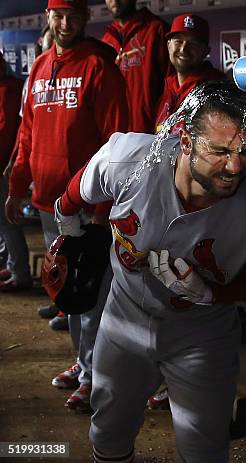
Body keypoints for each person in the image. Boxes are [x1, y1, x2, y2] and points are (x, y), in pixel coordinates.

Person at [54, 80, 246, 463]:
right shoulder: (130, 160)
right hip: (124, 315)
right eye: (219, 150)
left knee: (203, 446)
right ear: (184, 140)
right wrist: (67, 232)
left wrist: (212, 294)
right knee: (108, 429)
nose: (234, 166)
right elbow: (77, 191)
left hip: (202, 333)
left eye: (245, 151)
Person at [5, 0, 129, 410]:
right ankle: (82, 362)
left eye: (74, 15)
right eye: (58, 15)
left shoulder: (99, 66)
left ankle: (95, 377)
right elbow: (26, 134)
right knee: (65, 291)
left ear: (84, 19)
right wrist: (18, 186)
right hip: (47, 201)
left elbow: (117, 140)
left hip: (87, 204)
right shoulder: (39, 67)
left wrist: (102, 205)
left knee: (90, 293)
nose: (65, 22)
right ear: (48, 18)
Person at [102, 0, 170, 133]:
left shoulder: (156, 30)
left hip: (150, 137)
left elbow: (172, 87)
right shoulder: (106, 41)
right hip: (117, 140)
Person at [154, 13, 225, 133]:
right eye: (178, 41)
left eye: (193, 43)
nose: (183, 49)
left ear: (205, 51)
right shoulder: (166, 86)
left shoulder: (217, 89)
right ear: (168, 46)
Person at [0, 51, 31, 292]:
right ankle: (13, 265)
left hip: (5, 166)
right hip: (6, 163)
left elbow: (7, 131)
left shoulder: (9, 89)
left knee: (8, 221)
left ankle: (20, 272)